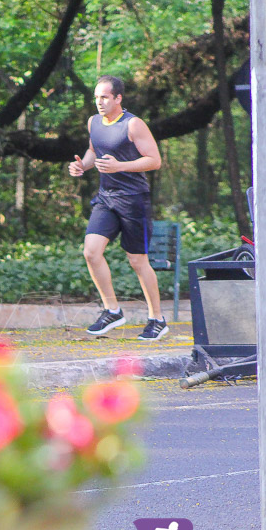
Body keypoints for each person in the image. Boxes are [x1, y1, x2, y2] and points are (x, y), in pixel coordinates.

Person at [69, 75, 168, 341]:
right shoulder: (94, 122)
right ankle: (112, 310)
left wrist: (120, 166)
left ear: (118, 98)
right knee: (91, 252)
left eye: (104, 97)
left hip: (134, 199)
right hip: (107, 197)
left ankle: (157, 319)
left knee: (137, 261)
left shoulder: (133, 124)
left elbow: (154, 160)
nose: (99, 102)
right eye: (96, 97)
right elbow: (93, 151)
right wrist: (83, 166)